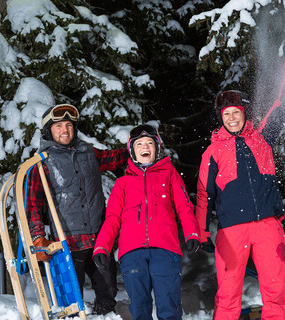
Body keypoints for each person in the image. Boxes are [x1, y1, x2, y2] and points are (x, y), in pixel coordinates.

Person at [196, 43, 285, 320]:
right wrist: (202, 230)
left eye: (236, 112)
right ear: (221, 118)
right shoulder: (213, 151)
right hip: (232, 232)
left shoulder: (262, 136)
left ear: (244, 113)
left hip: (268, 226)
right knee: (228, 295)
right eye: (226, 114)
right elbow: (204, 194)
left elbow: (283, 105)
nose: (232, 118)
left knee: (274, 292)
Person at [26, 103, 129, 315]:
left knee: (108, 293)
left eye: (69, 125)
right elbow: (33, 205)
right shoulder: (41, 163)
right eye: (58, 126)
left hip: (99, 238)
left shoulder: (88, 153)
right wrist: (37, 237)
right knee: (70, 302)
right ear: (48, 131)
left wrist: (139, 145)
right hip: (68, 243)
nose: (65, 130)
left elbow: (116, 158)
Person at [92, 124, 201, 320]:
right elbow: (112, 219)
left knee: (169, 306)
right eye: (140, 144)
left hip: (166, 250)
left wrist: (192, 233)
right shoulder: (122, 183)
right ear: (132, 151)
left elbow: (184, 208)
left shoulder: (169, 175)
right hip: (132, 254)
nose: (145, 147)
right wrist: (102, 247)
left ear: (157, 148)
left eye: (150, 143)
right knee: (140, 308)